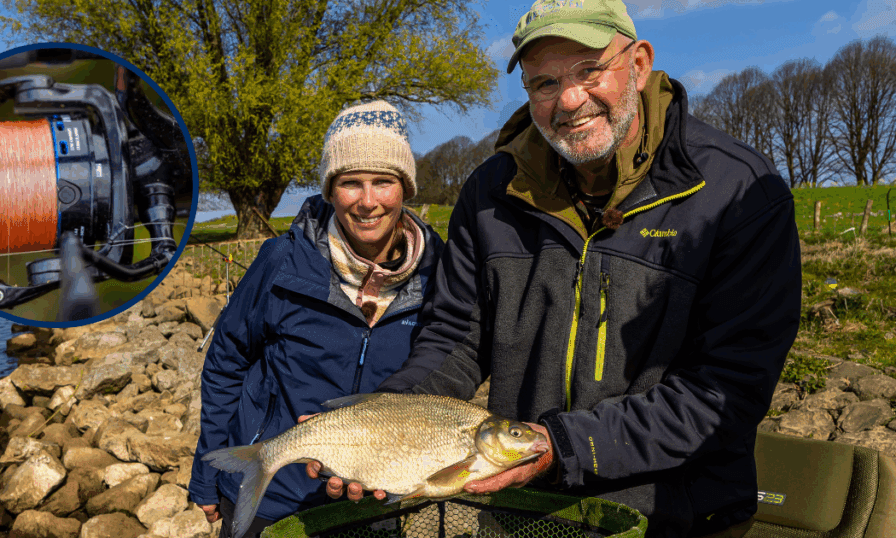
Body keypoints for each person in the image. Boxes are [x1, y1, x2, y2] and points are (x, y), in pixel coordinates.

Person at [307, 1, 802, 537]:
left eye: (589, 70)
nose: (568, 101)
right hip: (523, 510)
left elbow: (724, 391)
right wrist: (388, 418)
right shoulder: (489, 193)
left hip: (674, 513)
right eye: (543, 84)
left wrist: (562, 447)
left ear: (638, 64)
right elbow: (454, 338)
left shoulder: (736, 192)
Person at [189, 100, 445, 537]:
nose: (368, 201)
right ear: (329, 190)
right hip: (273, 496)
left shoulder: (441, 272)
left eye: (383, 182)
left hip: (376, 499)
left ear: (405, 188)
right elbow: (225, 362)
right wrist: (207, 469)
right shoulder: (279, 260)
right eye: (350, 183)